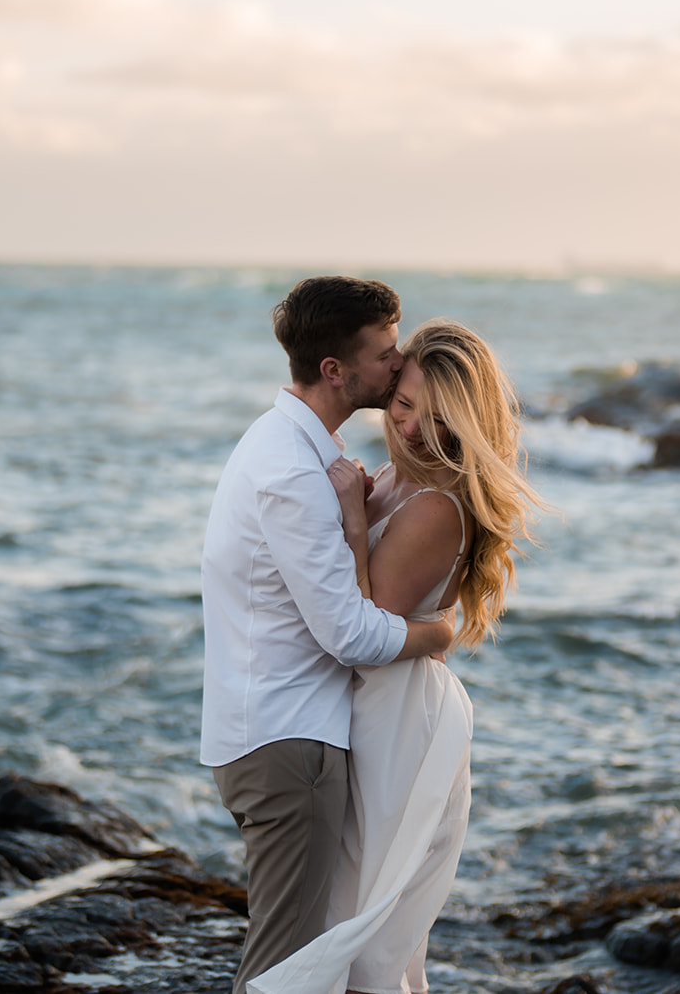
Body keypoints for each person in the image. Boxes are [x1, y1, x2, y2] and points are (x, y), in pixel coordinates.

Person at [249, 319, 541, 994]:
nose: (411, 428)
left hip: (396, 721)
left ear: (467, 423)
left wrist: (353, 517)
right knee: (350, 910)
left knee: (361, 923)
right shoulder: (392, 477)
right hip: (374, 709)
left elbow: (361, 625)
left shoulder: (436, 507)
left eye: (437, 419)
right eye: (404, 405)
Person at [200, 276, 456, 994]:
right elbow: (349, 633)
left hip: (271, 730)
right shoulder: (293, 469)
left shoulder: (291, 443)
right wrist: (436, 633)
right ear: (336, 370)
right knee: (285, 969)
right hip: (290, 742)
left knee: (296, 956)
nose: (398, 362)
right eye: (384, 353)